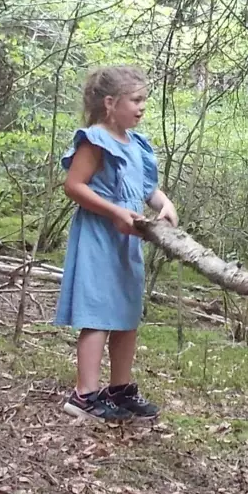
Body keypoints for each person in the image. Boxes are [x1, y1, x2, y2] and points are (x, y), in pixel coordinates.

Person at [55, 65, 178, 424]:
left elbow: (146, 190)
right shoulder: (94, 139)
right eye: (136, 100)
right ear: (110, 103)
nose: (142, 108)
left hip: (128, 241)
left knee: (126, 314)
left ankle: (119, 389)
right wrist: (114, 213)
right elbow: (74, 186)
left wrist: (164, 204)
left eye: (144, 101)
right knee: (97, 314)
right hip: (99, 237)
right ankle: (84, 395)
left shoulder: (136, 144)